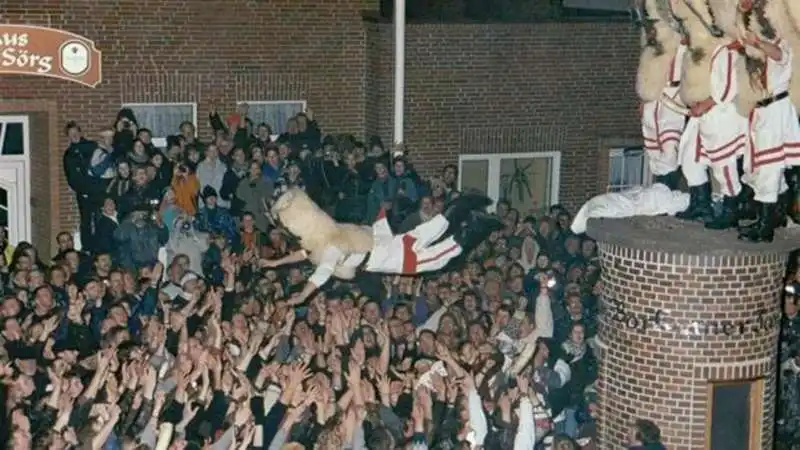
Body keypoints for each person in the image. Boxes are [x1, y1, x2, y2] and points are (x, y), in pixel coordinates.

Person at [262, 189, 504, 304]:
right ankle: (464, 204)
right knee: (434, 229)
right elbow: (302, 254)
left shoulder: (331, 247)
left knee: (441, 256)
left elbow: (321, 273)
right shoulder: (325, 236)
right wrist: (275, 262)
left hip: (391, 258)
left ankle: (473, 225)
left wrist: (303, 295)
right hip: (390, 242)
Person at [674, 0, 748, 230]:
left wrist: (705, 104)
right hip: (704, 114)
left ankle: (730, 209)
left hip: (722, 115)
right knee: (689, 156)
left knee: (722, 164)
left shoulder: (729, 49)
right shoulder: (707, 47)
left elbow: (728, 89)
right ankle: (700, 204)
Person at [735, 0, 800, 242]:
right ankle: (775, 216)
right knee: (760, 167)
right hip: (762, 111)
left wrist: (759, 43)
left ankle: (765, 229)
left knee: (770, 169)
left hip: (776, 110)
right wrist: (742, 12)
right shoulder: (758, 50)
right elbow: (743, 35)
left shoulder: (782, 44)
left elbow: (779, 55)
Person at [637, 0, 689, 190]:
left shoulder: (679, 39)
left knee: (669, 144)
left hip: (672, 95)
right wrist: (644, 97)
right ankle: (660, 188)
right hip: (654, 97)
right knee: (652, 143)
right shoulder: (651, 46)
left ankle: (669, 188)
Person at [62, 121, 102, 252]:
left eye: (75, 132)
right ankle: (87, 247)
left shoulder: (92, 147)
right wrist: (81, 190)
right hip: (83, 192)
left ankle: (100, 245)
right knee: (85, 220)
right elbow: (71, 177)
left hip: (98, 189)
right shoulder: (69, 155)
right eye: (70, 134)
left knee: (99, 217)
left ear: (80, 132)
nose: (74, 136)